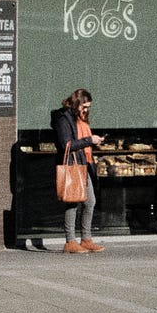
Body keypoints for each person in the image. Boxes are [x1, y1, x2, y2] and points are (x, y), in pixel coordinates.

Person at [52, 88, 105, 253]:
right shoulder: (63, 118)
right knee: (72, 201)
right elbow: (66, 144)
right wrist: (89, 140)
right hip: (72, 164)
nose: (86, 110)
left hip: (83, 163)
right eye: (84, 106)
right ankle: (70, 241)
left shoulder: (79, 119)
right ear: (76, 104)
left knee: (90, 201)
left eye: (88, 107)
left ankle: (86, 239)